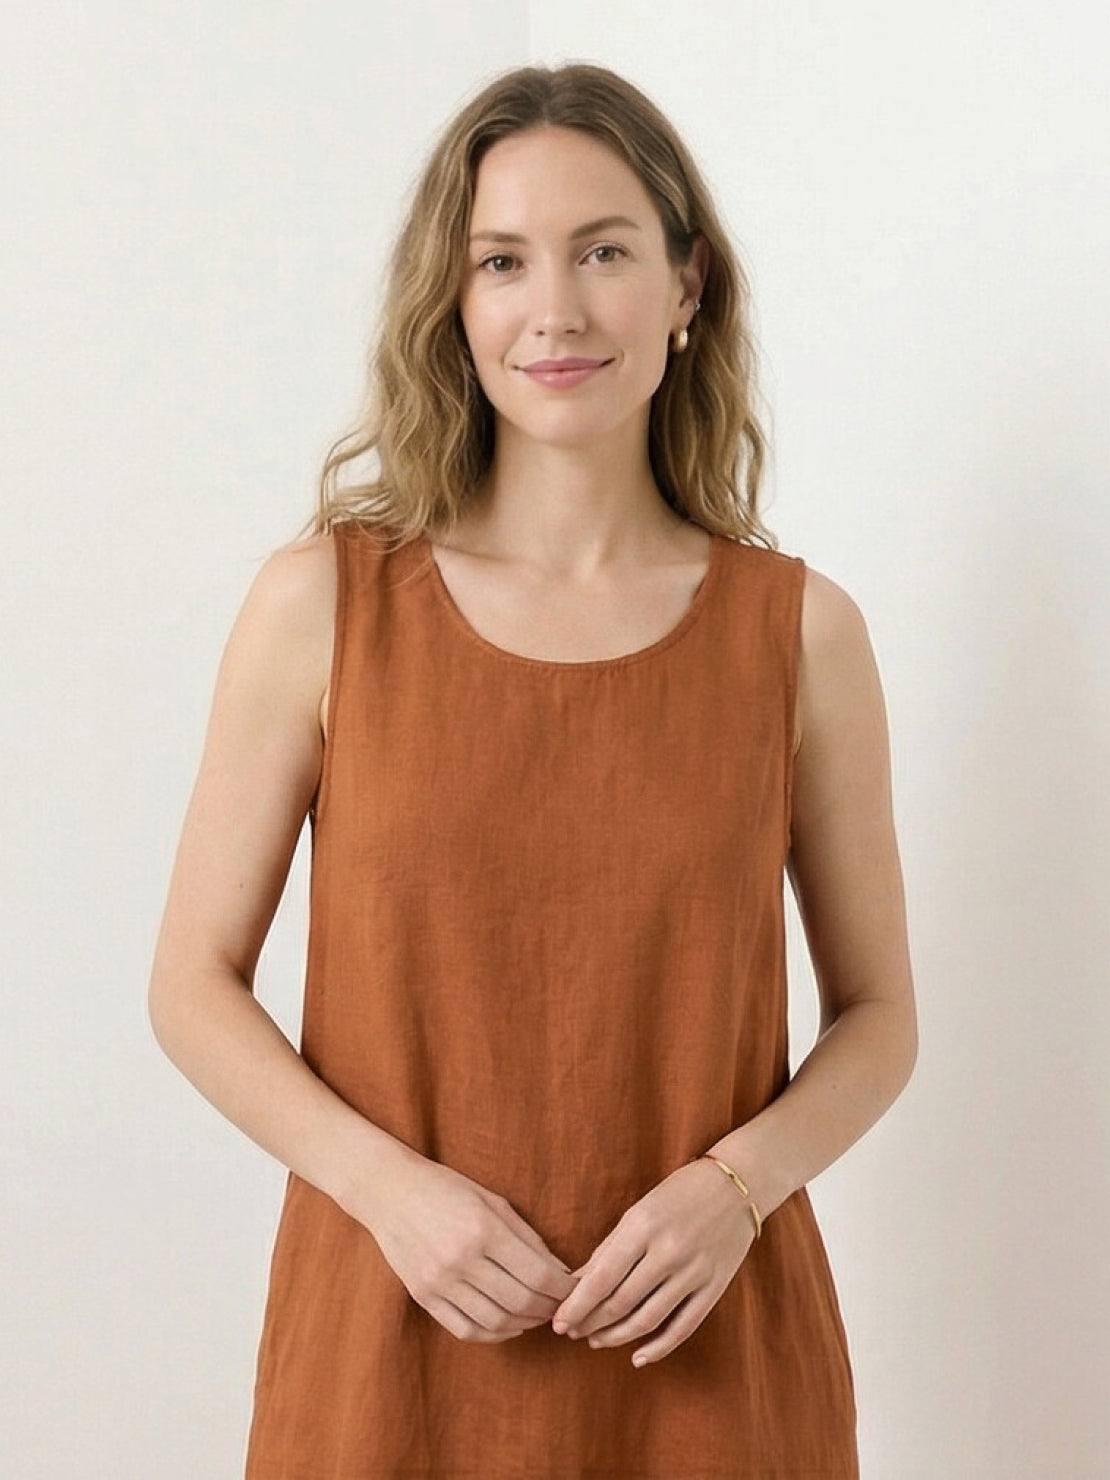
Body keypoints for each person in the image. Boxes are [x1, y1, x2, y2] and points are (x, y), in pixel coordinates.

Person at [148, 61, 917, 1479]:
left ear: (687, 287)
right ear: (452, 302)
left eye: (603, 252)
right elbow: (191, 985)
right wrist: (388, 1192)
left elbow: (879, 1018)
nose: (553, 309)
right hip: (387, 1355)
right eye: (502, 260)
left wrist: (737, 1189)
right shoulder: (324, 605)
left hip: (711, 1360)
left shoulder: (800, 633)